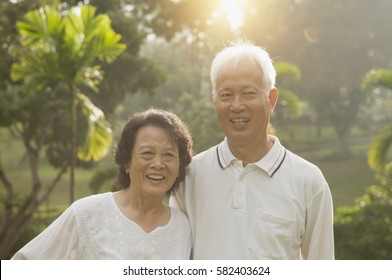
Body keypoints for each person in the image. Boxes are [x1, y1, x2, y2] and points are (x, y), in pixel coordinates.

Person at [170, 40, 334, 260]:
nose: (236, 106)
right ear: (214, 100)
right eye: (226, 95)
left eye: (248, 93)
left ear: (271, 99)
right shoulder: (189, 176)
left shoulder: (308, 180)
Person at [12, 108, 193, 260]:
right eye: (147, 153)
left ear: (180, 164)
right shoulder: (87, 214)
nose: (158, 164)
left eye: (169, 155)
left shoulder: (183, 228)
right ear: (126, 161)